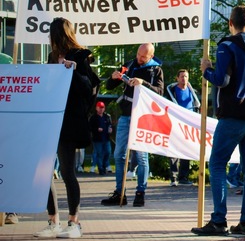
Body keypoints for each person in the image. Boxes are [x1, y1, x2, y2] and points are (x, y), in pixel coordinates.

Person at [192, 5, 245, 237]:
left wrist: (206, 70)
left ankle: (218, 220)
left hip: (234, 112)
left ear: (230, 23)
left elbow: (222, 79)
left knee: (217, 163)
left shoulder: (226, 45)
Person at [34, 17, 100, 239]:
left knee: (67, 171)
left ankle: (74, 222)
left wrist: (73, 71)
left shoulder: (81, 56)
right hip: (50, 119)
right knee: (43, 173)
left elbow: (89, 87)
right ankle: (53, 220)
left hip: (70, 121)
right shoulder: (51, 57)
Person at [101, 43, 163, 208]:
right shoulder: (128, 65)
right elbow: (108, 85)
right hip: (126, 116)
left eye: (143, 56)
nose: (139, 58)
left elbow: (160, 92)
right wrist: (113, 78)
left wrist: (143, 83)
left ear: (151, 56)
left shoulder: (155, 69)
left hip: (142, 118)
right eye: (138, 54)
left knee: (141, 157)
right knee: (119, 155)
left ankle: (140, 192)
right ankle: (119, 192)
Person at [165, 69, 200, 186]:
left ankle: (183, 177)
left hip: (188, 124)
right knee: (174, 150)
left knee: (186, 150)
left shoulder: (192, 92)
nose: (184, 79)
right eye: (182, 77)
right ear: (177, 78)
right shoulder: (172, 91)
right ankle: (173, 177)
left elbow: (197, 106)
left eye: (186, 76)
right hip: (175, 123)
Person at [88, 101, 112, 176]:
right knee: (99, 154)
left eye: (102, 107)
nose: (101, 109)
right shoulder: (93, 117)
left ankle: (105, 166)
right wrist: (97, 129)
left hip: (106, 138)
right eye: (99, 107)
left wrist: (110, 129)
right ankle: (101, 169)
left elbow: (110, 125)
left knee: (108, 152)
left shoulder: (107, 116)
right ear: (96, 108)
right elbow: (90, 127)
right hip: (97, 139)